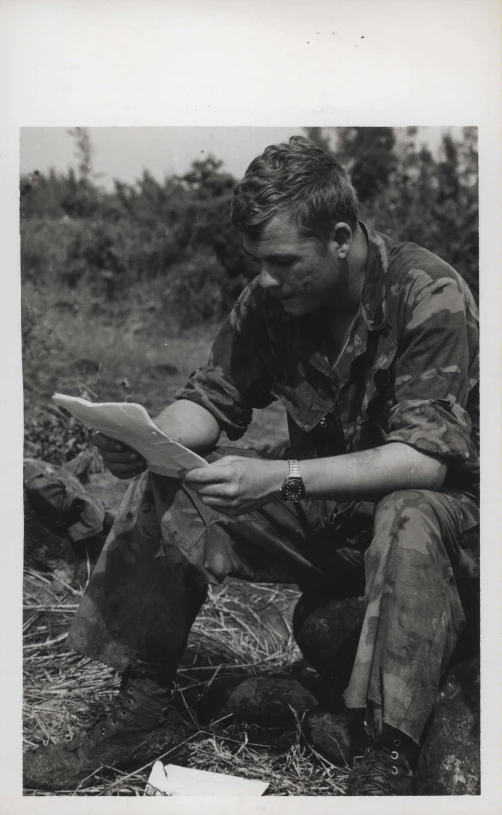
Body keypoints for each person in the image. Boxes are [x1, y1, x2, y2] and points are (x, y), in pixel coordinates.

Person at [24, 136, 479, 795]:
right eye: (261, 262)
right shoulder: (276, 301)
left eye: (283, 261)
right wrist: (147, 437)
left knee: (407, 512)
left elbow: (426, 461)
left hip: (451, 532)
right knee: (172, 484)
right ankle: (140, 708)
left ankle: (386, 754)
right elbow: (213, 397)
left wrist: (280, 475)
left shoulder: (426, 291)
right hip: (340, 517)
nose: (267, 277)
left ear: (342, 237)